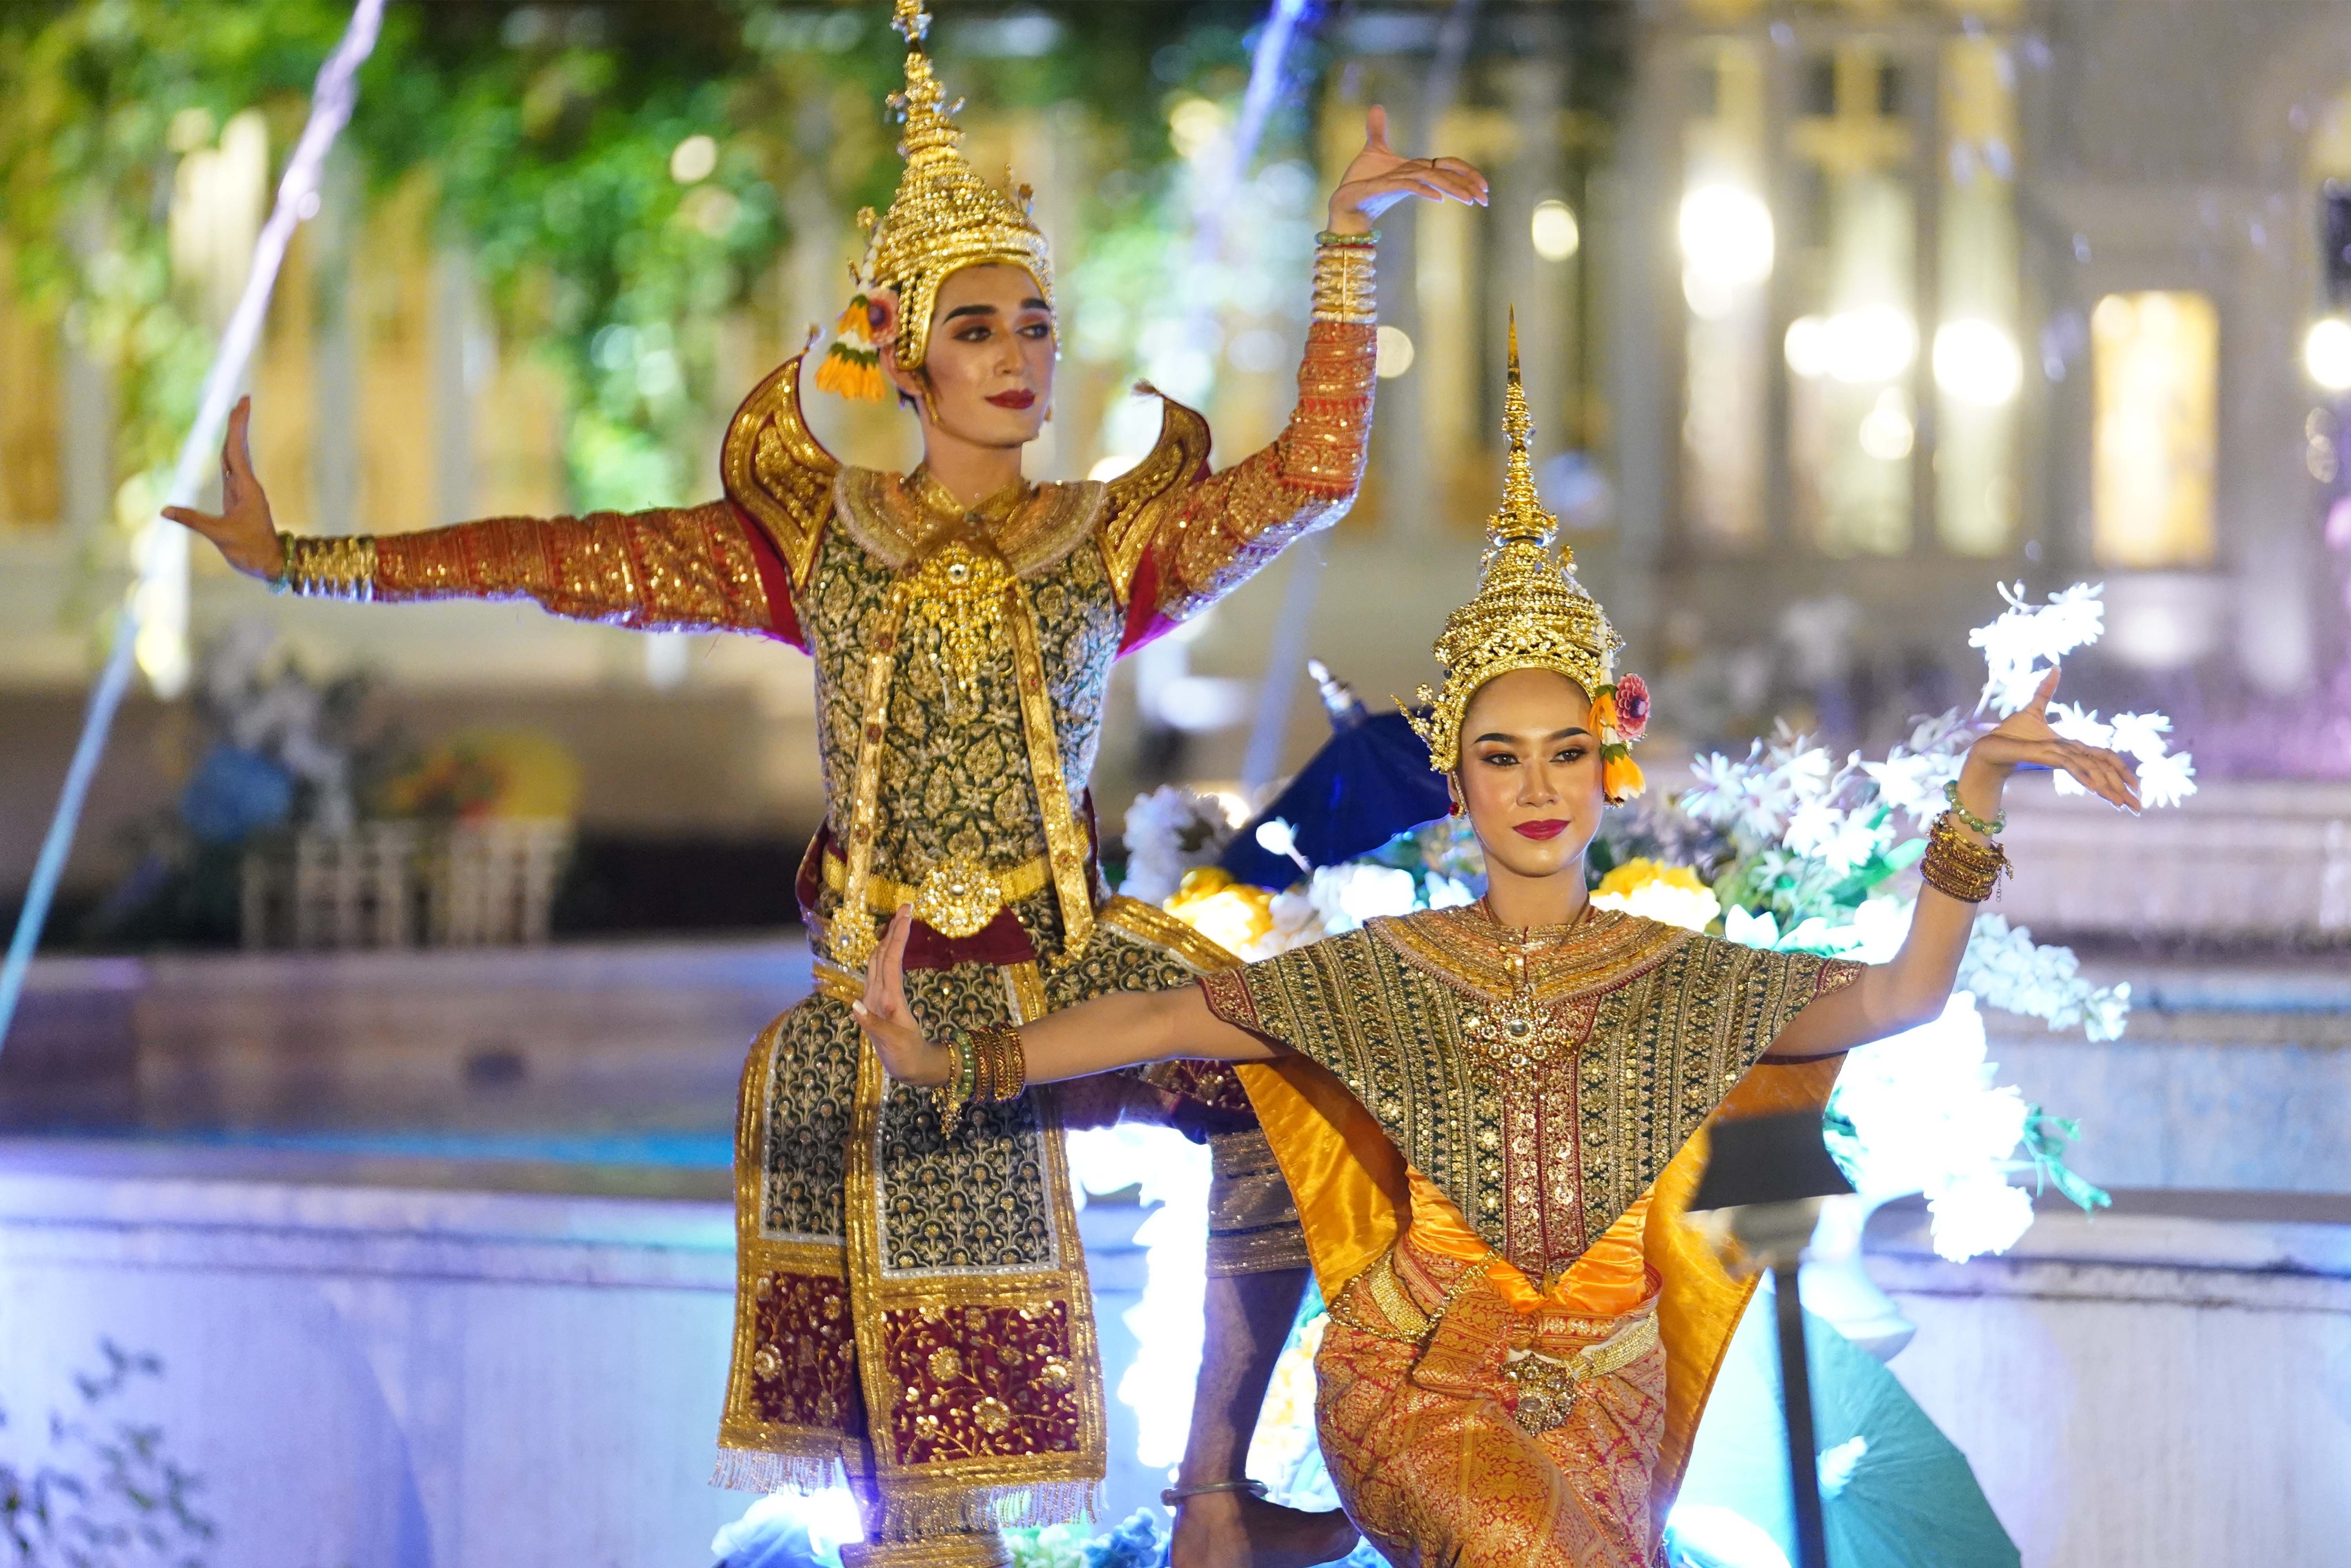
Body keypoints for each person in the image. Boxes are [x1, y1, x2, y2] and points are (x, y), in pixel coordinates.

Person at [159, 5, 1484, 1563]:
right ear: (906, 352)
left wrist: (1343, 243)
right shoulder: (819, 536)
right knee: (943, 1532)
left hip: (1075, 973)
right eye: (978, 327)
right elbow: (551, 561)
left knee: (1300, 1081)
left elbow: (1315, 476)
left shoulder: (1109, 542)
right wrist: (302, 560)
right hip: (900, 1009)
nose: (1016, 354)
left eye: (1036, 325)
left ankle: (1213, 1494)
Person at [850, 328, 2143, 1567]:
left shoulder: (1681, 978)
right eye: (1501, 759)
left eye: (1567, 753)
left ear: (1609, 769)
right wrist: (955, 1059)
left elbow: (1904, 997)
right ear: (1455, 789)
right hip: (1415, 1384)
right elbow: (1159, 1021)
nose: (1540, 787)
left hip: (1611, 1402)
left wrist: (1974, 803)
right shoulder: (1386, 972)